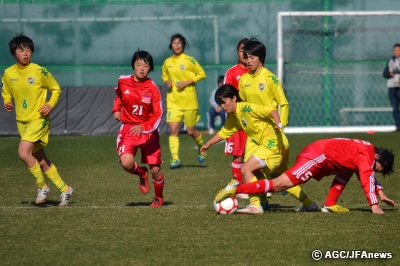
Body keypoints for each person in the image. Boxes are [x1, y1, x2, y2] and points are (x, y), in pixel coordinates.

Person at [236, 38, 317, 213]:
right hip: (253, 136)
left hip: (271, 136)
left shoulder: (270, 79)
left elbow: (283, 103)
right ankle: (307, 204)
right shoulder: (243, 80)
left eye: (251, 57)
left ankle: (257, 206)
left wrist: (281, 124)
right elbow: (243, 107)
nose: (248, 61)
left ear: (261, 57)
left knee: (264, 173)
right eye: (246, 57)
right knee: (261, 173)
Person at [215, 138, 396, 214]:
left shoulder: (367, 151)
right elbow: (366, 175)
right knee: (279, 185)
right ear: (378, 157)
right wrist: (374, 205)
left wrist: (380, 192)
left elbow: (366, 174)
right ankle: (235, 189)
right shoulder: (368, 155)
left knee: (347, 170)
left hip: (320, 155)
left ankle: (330, 204)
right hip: (317, 156)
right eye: (376, 167)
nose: (373, 170)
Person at [1, 33, 73, 207]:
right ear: (14, 53)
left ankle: (42, 187)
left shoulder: (39, 71)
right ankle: (65, 189)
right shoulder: (8, 73)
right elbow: (6, 91)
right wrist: (7, 102)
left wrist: (49, 104)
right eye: (21, 50)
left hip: (38, 120)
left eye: (29, 50)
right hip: (22, 121)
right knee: (41, 160)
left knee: (23, 153)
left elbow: (56, 89)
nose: (26, 53)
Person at [200, 84, 284, 215]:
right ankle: (263, 203)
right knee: (258, 173)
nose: (222, 106)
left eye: (224, 102)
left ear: (234, 98)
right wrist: (208, 144)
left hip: (271, 144)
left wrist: (278, 122)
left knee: (246, 169)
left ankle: (255, 206)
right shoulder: (234, 116)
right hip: (262, 145)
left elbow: (271, 110)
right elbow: (224, 132)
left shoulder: (247, 108)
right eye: (219, 104)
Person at [112, 49, 165, 207]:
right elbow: (119, 95)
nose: (142, 68)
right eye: (139, 64)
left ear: (150, 68)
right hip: (128, 130)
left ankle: (158, 197)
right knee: (126, 163)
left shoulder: (153, 89)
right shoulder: (123, 81)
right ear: (133, 65)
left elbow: (158, 115)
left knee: (156, 170)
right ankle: (141, 172)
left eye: (146, 65)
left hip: (148, 134)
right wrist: (116, 109)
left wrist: (143, 127)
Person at [161, 33, 207, 169]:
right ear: (171, 45)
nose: (177, 45)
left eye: (180, 43)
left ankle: (201, 147)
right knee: (173, 130)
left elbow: (201, 74)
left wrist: (187, 82)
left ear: (183, 45)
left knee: (191, 131)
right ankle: (175, 159)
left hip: (189, 102)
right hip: (173, 101)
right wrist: (167, 81)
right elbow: (164, 75)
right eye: (175, 43)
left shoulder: (189, 60)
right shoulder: (167, 62)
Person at [222, 38, 251, 191]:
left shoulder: (257, 71)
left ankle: (266, 184)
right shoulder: (232, 72)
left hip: (255, 121)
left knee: (258, 156)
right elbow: (225, 95)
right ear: (237, 52)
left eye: (247, 50)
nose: (244, 53)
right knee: (238, 156)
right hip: (237, 121)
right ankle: (242, 189)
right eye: (241, 50)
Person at [385, 44, 400, 131]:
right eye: (395, 50)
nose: (396, 52)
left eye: (398, 50)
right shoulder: (391, 61)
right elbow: (385, 73)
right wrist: (390, 74)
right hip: (392, 88)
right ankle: (398, 126)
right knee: (395, 108)